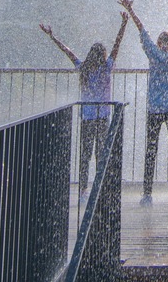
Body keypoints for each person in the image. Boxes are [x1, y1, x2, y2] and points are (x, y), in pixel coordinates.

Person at [119, 0, 168, 207]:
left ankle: (162, 194)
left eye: (165, 42)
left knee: (164, 151)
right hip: (165, 109)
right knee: (163, 151)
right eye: (162, 41)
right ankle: (157, 194)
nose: (162, 44)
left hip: (165, 109)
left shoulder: (163, 54)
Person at [39, 13, 128, 197]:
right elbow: (116, 46)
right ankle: (100, 187)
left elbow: (68, 52)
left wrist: (52, 36)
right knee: (100, 154)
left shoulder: (84, 69)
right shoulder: (106, 68)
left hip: (87, 117)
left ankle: (83, 189)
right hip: (102, 115)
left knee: (85, 155)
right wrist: (123, 24)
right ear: (102, 56)